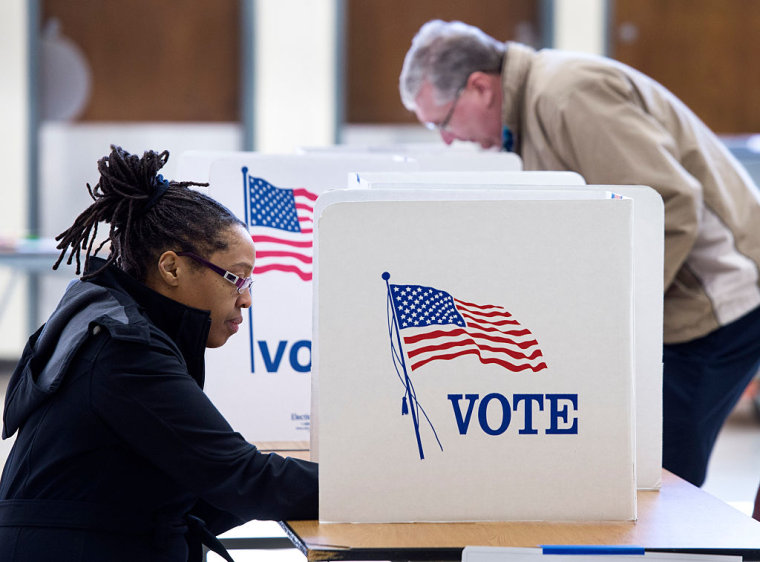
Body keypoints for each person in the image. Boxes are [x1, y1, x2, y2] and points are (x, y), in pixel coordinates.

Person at [399, 20, 760, 493]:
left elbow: (668, 205)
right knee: (628, 471)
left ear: (481, 87)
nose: (448, 139)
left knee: (657, 480)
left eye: (441, 122)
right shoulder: (533, 108)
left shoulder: (568, 95)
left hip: (716, 303)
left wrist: (604, 326)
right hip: (679, 304)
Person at [0, 146, 318, 561]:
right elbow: (241, 476)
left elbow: (202, 485)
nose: (246, 300)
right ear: (171, 268)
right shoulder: (126, 352)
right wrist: (376, 487)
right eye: (237, 278)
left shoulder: (105, 322)